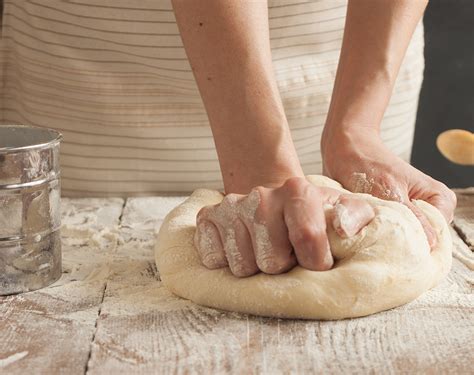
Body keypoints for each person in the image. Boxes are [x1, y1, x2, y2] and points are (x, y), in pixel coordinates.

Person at [0, 1, 456, 277]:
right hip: (104, 77)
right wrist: (260, 157)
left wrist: (357, 128)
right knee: (80, 249)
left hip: (345, 52)